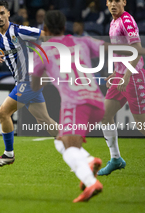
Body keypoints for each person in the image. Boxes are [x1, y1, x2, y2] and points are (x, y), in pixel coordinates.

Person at [31, 10, 105, 203]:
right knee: (61, 141)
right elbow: (111, 50)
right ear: (65, 28)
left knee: (69, 148)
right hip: (98, 103)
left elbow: (35, 85)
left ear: (45, 29)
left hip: (75, 104)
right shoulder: (83, 41)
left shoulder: (42, 50)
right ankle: (87, 162)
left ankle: (91, 180)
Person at [98, 0, 145, 178]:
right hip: (122, 76)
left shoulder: (126, 20)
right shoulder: (113, 22)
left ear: (124, 2)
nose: (113, 4)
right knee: (105, 116)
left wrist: (126, 75)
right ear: (106, 2)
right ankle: (116, 159)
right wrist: (115, 72)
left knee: (144, 125)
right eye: (110, 0)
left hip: (133, 77)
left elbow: (136, 49)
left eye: (117, 0)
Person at [0, 0, 58, 167]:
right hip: (24, 81)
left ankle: (8, 154)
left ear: (8, 14)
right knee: (44, 120)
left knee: (3, 113)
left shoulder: (19, 30)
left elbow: (47, 35)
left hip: (29, 80)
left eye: (2, 13)